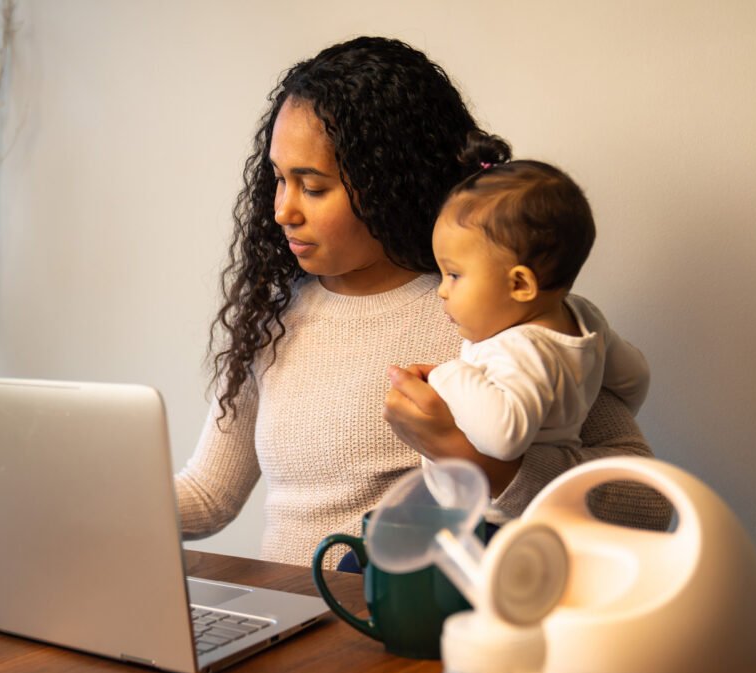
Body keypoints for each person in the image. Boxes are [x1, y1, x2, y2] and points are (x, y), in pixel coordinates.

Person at [175, 36, 661, 568]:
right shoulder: (272, 319)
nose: (282, 211)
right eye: (278, 180)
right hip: (292, 635)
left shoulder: (491, 314)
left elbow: (646, 504)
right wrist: (83, 501)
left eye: (312, 187)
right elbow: (208, 496)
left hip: (409, 639)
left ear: (387, 184)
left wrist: (481, 465)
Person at [422, 136, 650, 504]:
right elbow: (635, 378)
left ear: (520, 284)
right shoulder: (584, 316)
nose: (441, 290)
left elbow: (503, 436)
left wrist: (446, 376)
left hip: (495, 520)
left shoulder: (518, 350)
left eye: (454, 275)